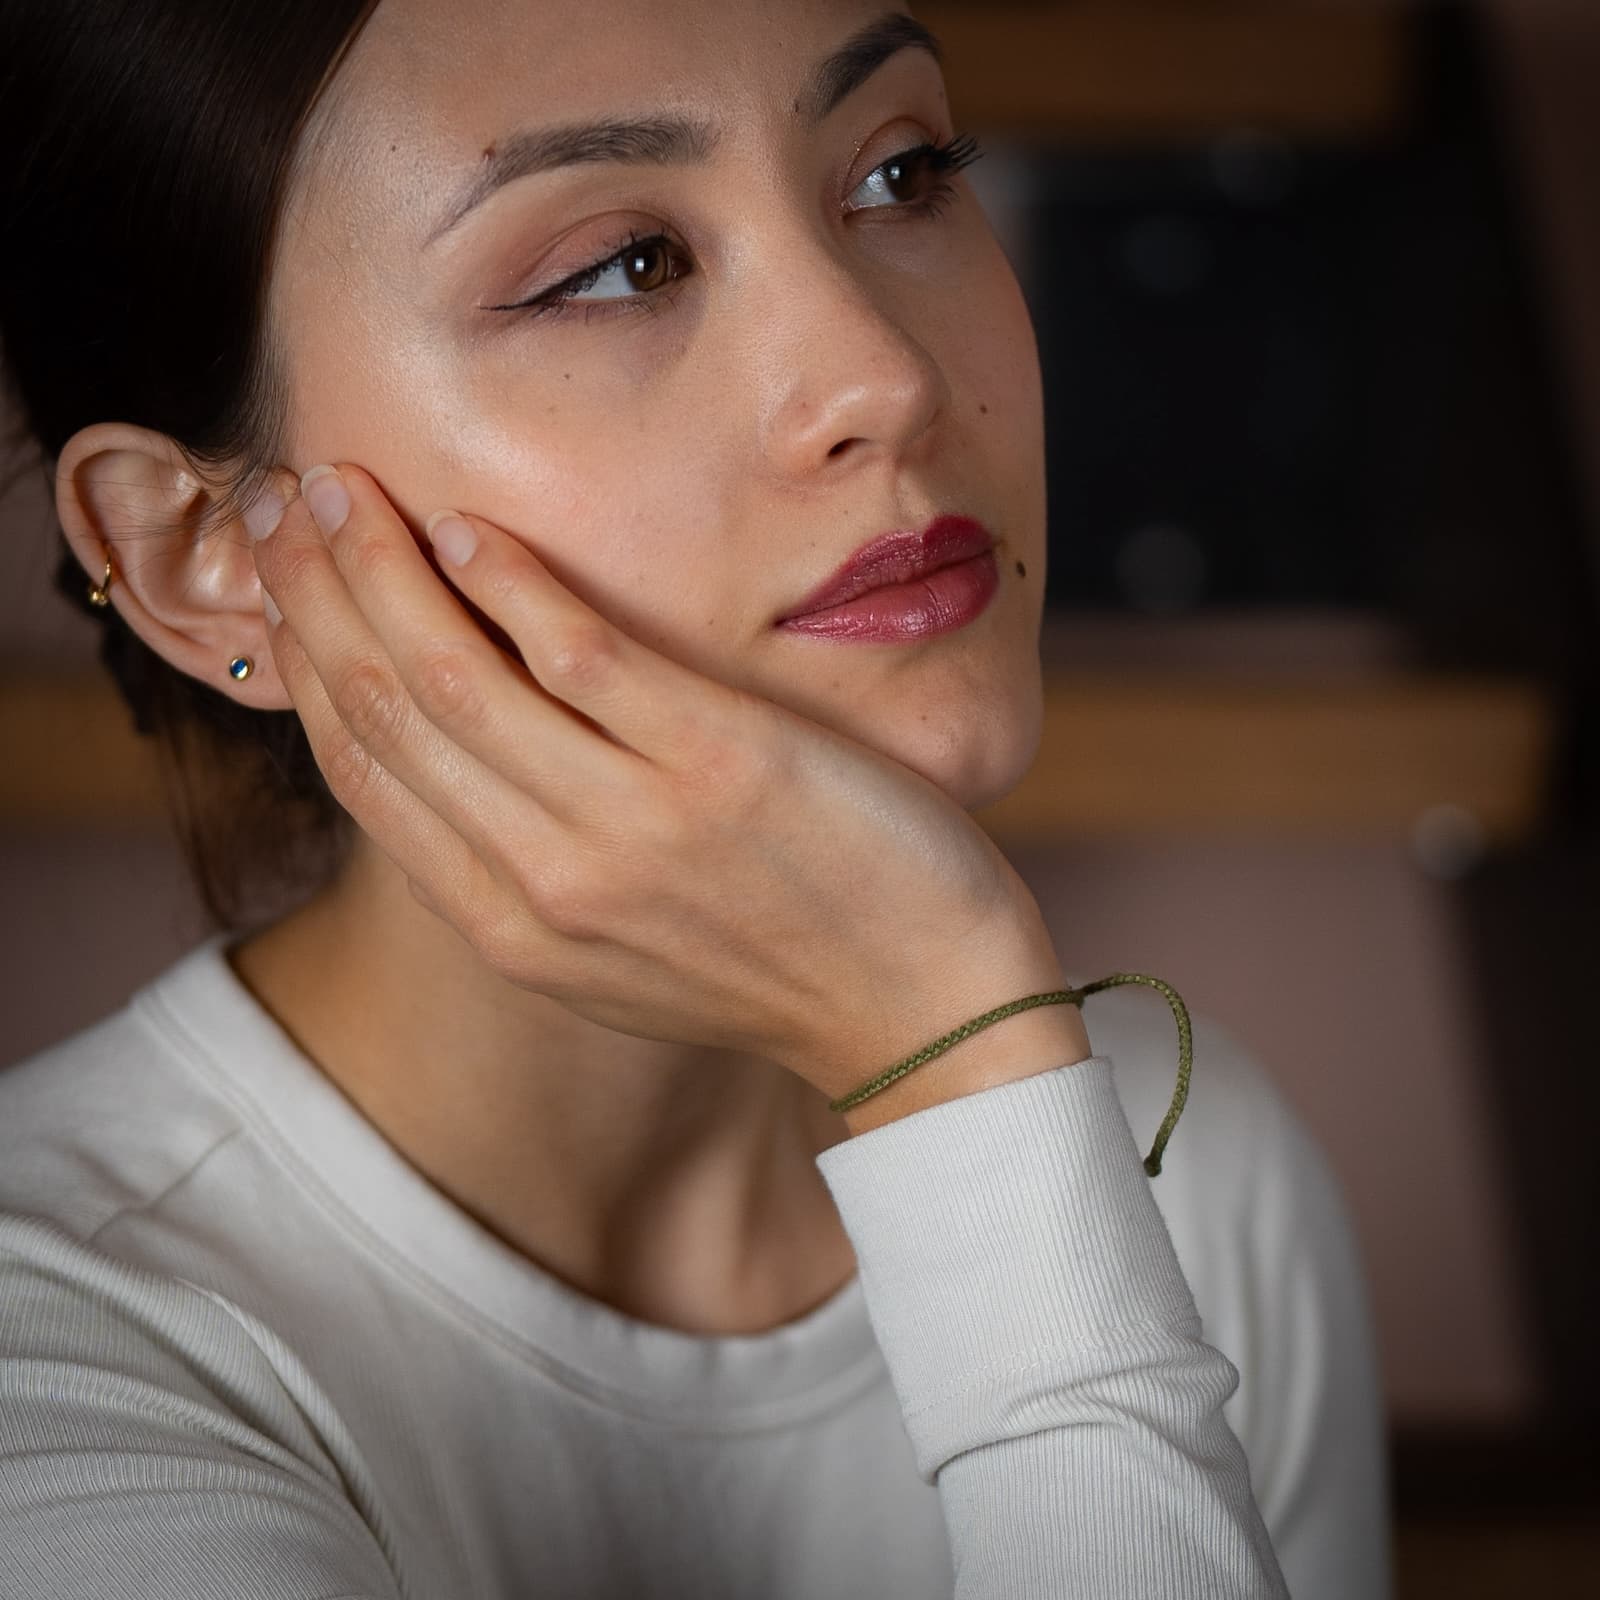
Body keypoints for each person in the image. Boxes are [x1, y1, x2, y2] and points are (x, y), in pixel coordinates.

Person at [0, 1, 1388, 1594]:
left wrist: (973, 1080)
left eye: (901, 172)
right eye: (619, 266)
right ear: (200, 553)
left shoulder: (1181, 1173)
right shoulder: (49, 1360)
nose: (884, 376)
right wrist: (961, 1061)